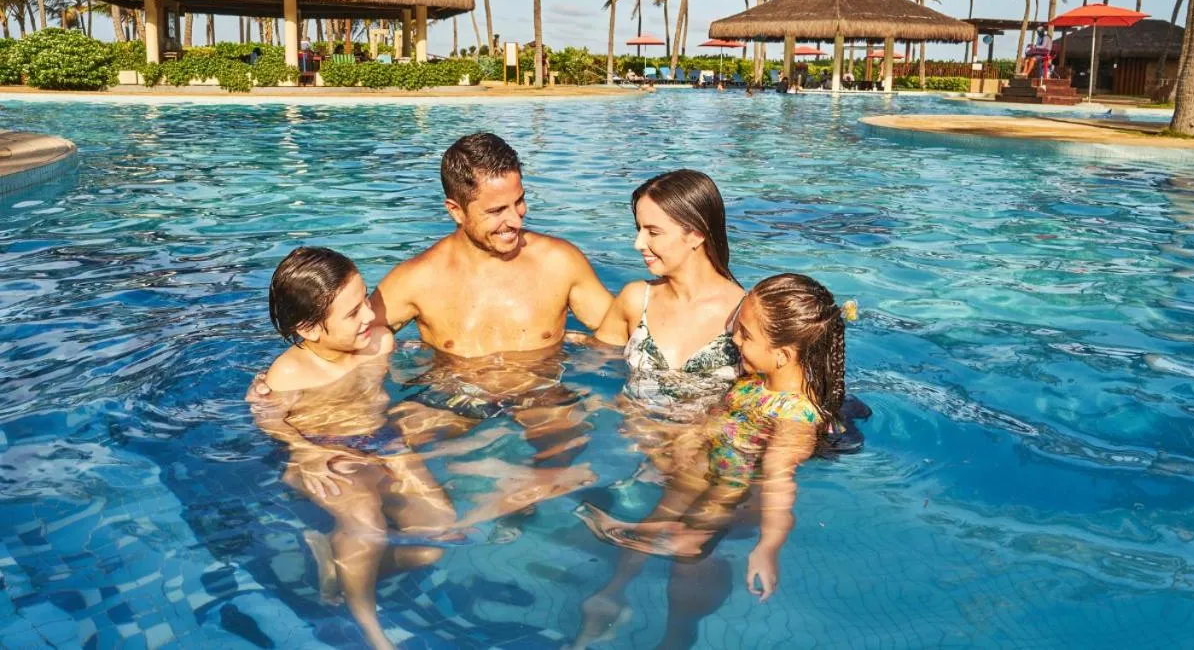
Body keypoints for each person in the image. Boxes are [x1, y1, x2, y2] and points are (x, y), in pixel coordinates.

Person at [253, 247, 591, 649]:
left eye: (366, 299)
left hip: (384, 442)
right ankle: (372, 631)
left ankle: (339, 560)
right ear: (309, 329)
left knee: (436, 537)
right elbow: (269, 420)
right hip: (328, 454)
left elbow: (417, 373)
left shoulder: (379, 344)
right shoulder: (290, 373)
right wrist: (302, 450)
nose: (369, 314)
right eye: (353, 312)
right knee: (366, 523)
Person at [250, 134, 613, 458]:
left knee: (566, 463)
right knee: (368, 455)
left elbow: (623, 331)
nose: (516, 220)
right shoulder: (417, 279)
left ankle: (511, 496)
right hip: (452, 400)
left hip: (543, 395)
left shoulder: (559, 262)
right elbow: (341, 335)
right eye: (496, 211)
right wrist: (279, 386)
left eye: (519, 202)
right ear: (455, 210)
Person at [572, 273, 847, 648]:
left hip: (731, 487)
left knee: (692, 536)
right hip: (703, 468)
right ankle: (613, 594)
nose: (734, 340)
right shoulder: (753, 383)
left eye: (745, 335)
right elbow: (716, 421)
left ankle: (685, 553)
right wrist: (681, 440)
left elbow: (779, 483)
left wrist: (767, 548)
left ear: (783, 355)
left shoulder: (796, 416)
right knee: (656, 516)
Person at [594, 170, 745, 423]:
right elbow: (593, 363)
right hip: (633, 437)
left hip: (705, 444)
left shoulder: (745, 313)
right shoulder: (636, 299)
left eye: (653, 233)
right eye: (639, 229)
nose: (638, 243)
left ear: (696, 235)